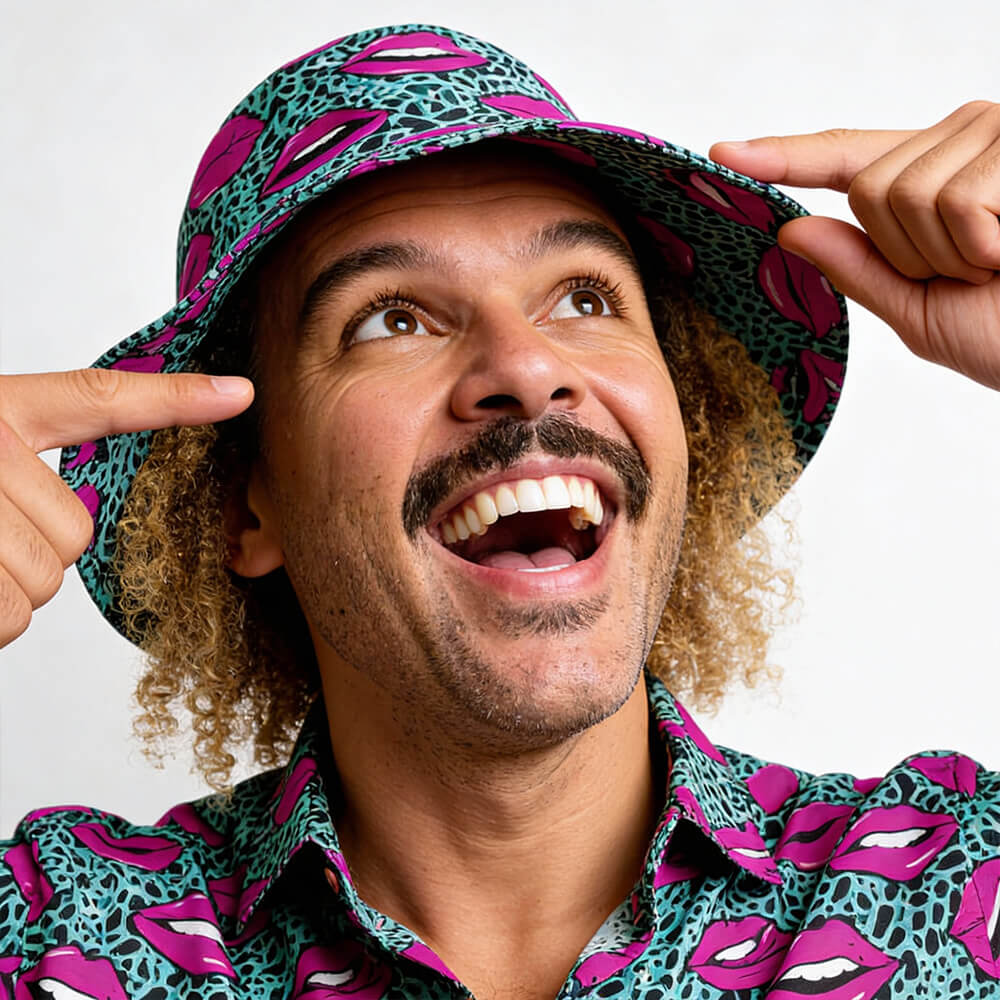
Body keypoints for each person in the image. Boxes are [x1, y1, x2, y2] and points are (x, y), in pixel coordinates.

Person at [1, 21, 998, 1000]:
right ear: (240, 506)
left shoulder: (953, 883)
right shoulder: (53, 935)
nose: (526, 368)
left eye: (584, 298)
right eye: (390, 319)